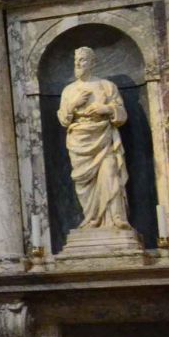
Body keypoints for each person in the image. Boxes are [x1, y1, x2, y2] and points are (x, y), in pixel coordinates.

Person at [57, 46, 133, 232]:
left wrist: (107, 109)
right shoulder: (69, 90)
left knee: (110, 170)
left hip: (103, 137)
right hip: (79, 140)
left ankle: (116, 217)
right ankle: (91, 217)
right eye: (76, 60)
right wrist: (73, 105)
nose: (78, 64)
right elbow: (63, 119)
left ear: (92, 63)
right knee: (84, 184)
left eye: (82, 60)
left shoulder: (107, 86)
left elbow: (122, 115)